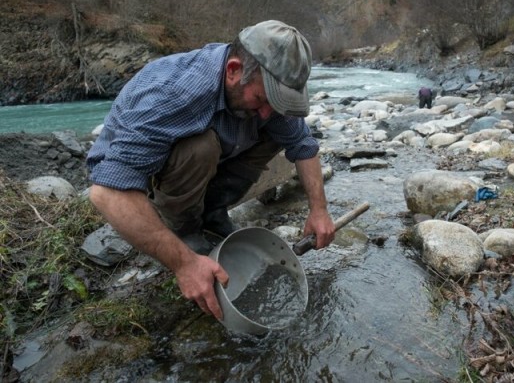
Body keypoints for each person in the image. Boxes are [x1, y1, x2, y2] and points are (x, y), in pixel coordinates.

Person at [86, 20, 336, 320]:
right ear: (233, 71)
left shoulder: (261, 91)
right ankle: (184, 227)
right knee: (200, 145)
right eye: (262, 99)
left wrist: (319, 210)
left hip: (213, 153)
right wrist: (184, 264)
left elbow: (302, 144)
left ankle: (212, 213)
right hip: (147, 171)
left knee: (274, 128)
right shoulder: (175, 95)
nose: (268, 110)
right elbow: (107, 193)